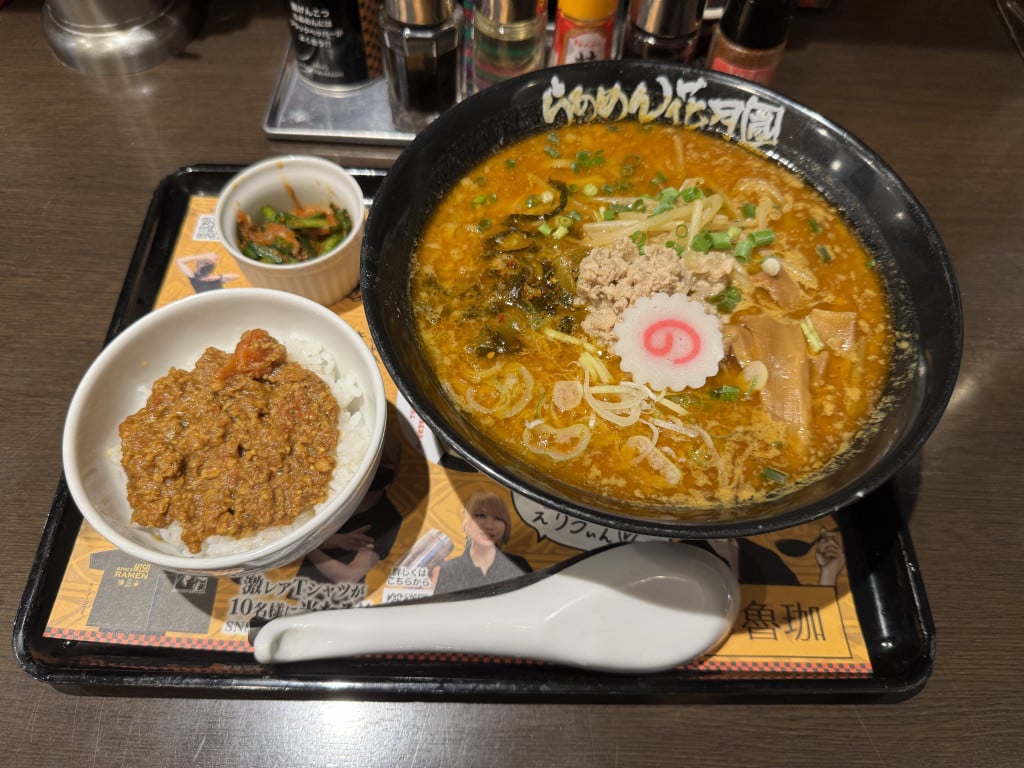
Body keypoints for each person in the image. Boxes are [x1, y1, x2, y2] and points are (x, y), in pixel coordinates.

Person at [432, 490, 531, 595]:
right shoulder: (448, 570)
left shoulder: (519, 565)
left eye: (498, 518)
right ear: (466, 523)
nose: (489, 526)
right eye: (481, 516)